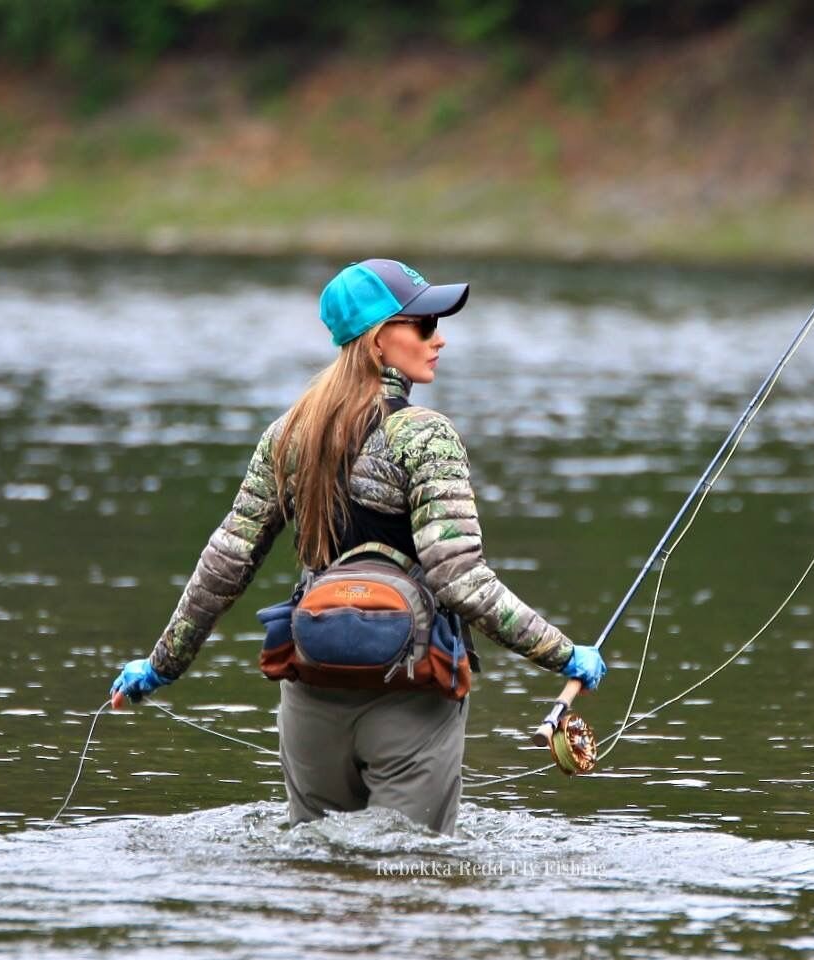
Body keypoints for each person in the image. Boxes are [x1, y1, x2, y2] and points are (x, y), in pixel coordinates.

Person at [110, 258, 606, 834]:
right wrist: (563, 654)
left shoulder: (288, 433)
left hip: (311, 695)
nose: (439, 337)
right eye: (423, 325)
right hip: (412, 696)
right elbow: (459, 580)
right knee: (410, 885)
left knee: (318, 884)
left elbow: (227, 561)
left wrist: (160, 666)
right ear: (377, 341)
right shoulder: (425, 434)